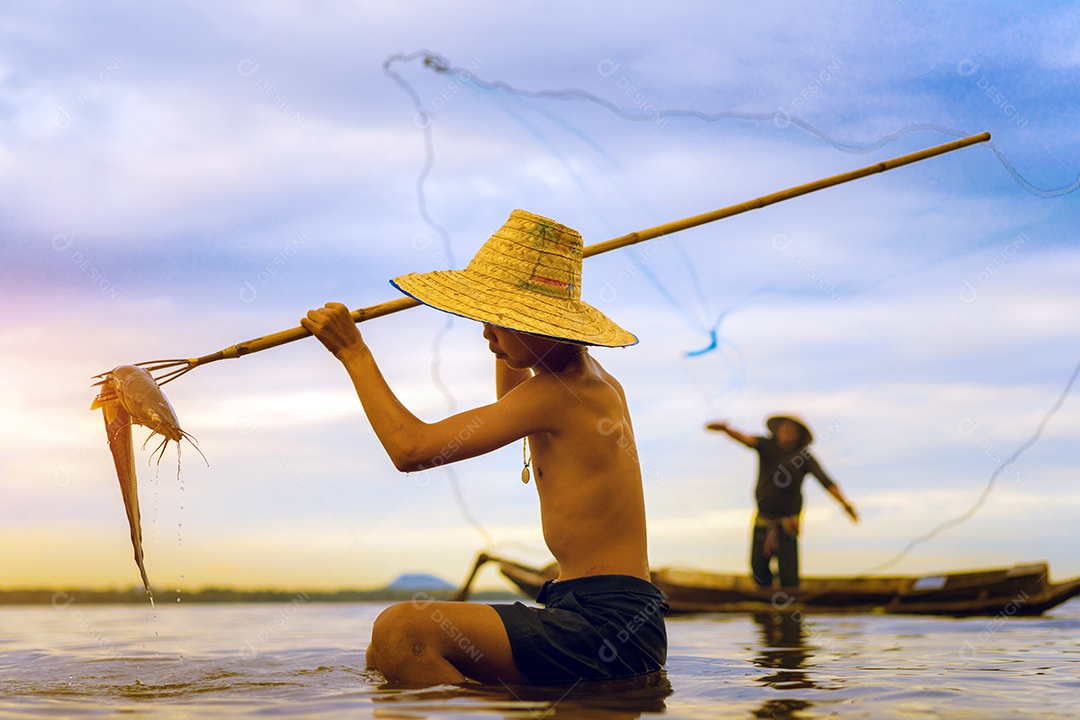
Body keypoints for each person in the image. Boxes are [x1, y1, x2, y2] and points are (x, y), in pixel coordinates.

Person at [301, 209, 667, 686]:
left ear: (543, 325)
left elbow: (410, 449)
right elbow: (511, 397)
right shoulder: (578, 383)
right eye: (485, 318)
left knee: (403, 632)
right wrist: (501, 326)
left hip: (607, 623)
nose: (485, 333)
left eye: (498, 321)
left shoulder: (563, 393)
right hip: (588, 611)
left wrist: (354, 353)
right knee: (381, 652)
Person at [705, 415, 858, 588]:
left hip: (788, 522)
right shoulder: (766, 446)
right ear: (777, 431)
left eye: (792, 430)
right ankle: (766, 597)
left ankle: (788, 597)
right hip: (764, 519)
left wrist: (845, 504)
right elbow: (745, 439)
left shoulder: (804, 457)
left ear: (799, 435)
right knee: (758, 567)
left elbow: (827, 482)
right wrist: (726, 430)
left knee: (789, 573)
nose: (787, 432)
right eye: (784, 428)